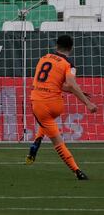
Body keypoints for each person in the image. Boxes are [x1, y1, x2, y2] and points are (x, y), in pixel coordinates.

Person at [26, 35, 98, 180]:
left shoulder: (43, 58)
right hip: (56, 105)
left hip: (39, 102)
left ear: (56, 45)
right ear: (71, 48)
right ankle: (38, 140)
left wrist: (84, 99)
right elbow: (68, 84)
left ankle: (77, 171)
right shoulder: (69, 64)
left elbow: (60, 84)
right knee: (48, 121)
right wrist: (86, 101)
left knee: (56, 139)